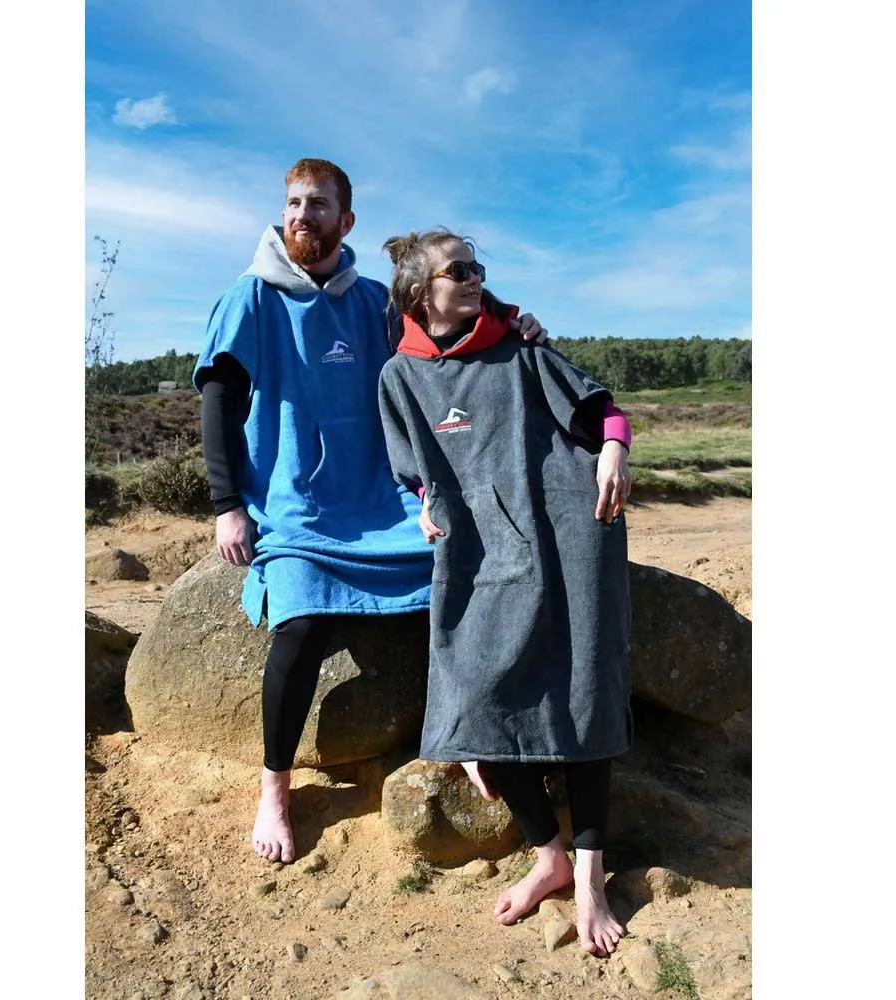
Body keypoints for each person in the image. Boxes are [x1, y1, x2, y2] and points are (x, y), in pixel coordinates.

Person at [193, 159, 547, 865]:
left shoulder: (373, 301)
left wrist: (513, 320)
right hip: (297, 504)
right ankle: (275, 785)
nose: (303, 215)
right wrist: (228, 505)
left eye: (319, 205)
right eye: (294, 203)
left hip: (381, 499)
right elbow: (218, 402)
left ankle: (467, 734)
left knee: (462, 578)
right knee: (302, 625)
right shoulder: (249, 297)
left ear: (345, 220)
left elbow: (446, 316)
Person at [377, 229, 633, 958]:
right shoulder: (399, 376)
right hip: (483, 551)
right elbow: (413, 468)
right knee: (478, 697)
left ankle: (590, 878)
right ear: (420, 292)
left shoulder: (520, 347)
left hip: (572, 536)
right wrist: (423, 501)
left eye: (478, 267)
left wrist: (614, 451)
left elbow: (604, 413)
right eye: (459, 269)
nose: (475, 277)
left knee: (583, 692)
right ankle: (547, 855)